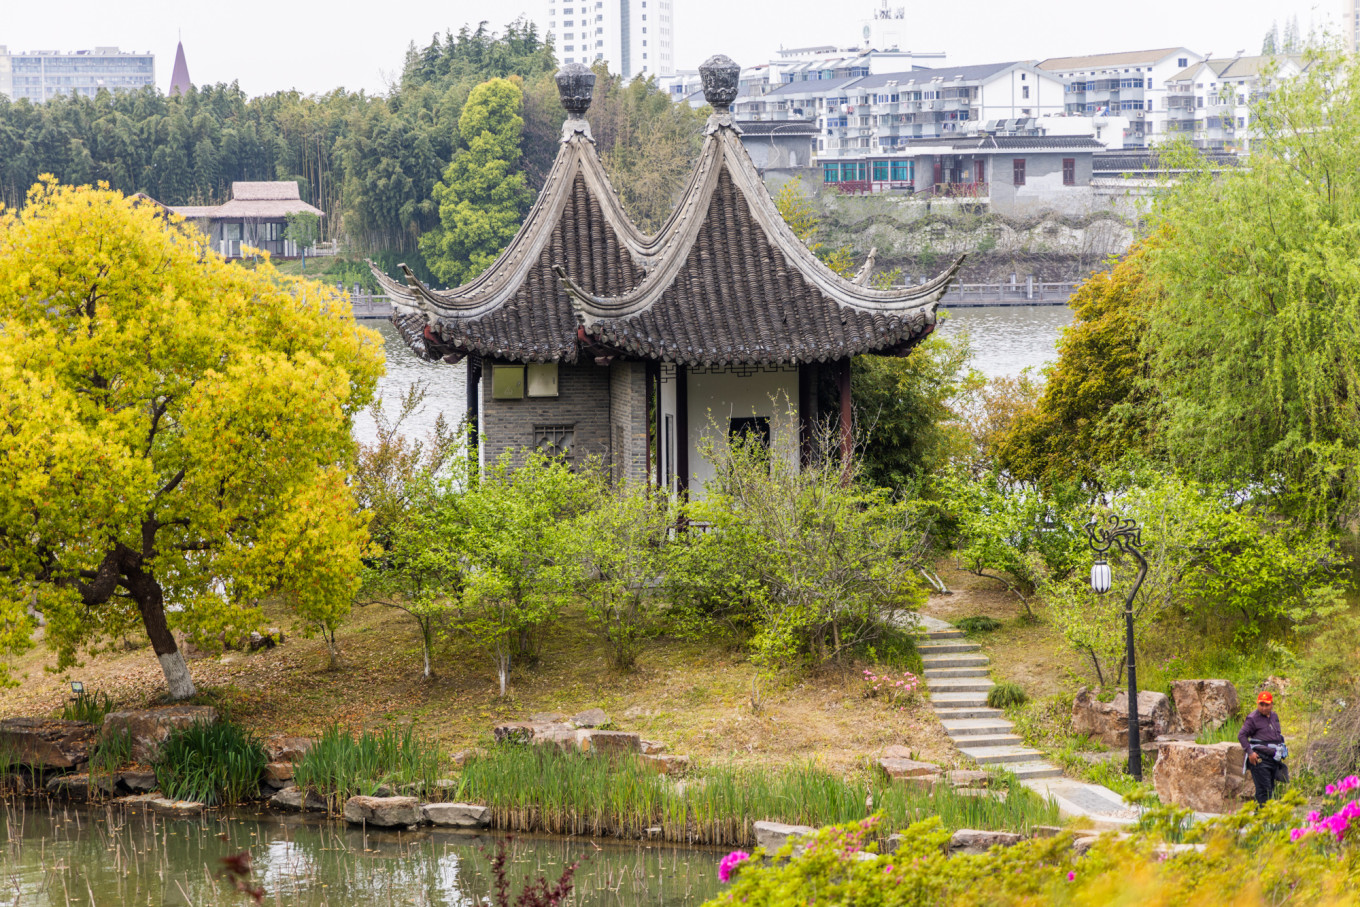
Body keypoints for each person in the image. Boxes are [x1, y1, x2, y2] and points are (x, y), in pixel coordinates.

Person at [1238, 691, 1287, 806]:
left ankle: (1261, 818)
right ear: (1257, 704)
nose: (1264, 708)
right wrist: (1250, 752)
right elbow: (1241, 735)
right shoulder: (1252, 718)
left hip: (1273, 758)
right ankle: (1262, 819)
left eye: (1267, 705)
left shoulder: (1274, 716)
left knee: (1270, 789)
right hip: (1260, 759)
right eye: (1261, 704)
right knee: (1264, 791)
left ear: (1272, 704)